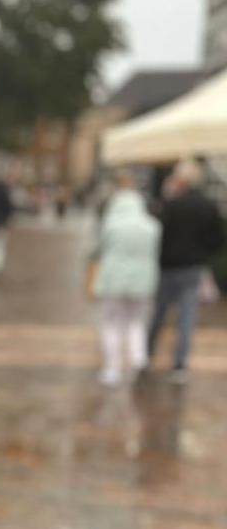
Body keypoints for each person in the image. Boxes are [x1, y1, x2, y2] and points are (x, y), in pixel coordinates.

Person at [146, 159, 225, 382]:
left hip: (169, 266)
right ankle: (179, 363)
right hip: (193, 266)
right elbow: (217, 239)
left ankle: (147, 353)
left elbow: (158, 234)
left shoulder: (171, 204)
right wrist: (203, 252)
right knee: (187, 316)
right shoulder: (208, 206)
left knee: (159, 312)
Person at [91, 174, 161, 387]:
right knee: (136, 322)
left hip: (114, 280)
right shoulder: (152, 226)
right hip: (143, 282)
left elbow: (98, 250)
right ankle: (138, 358)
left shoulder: (111, 224)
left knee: (111, 324)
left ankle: (112, 368)